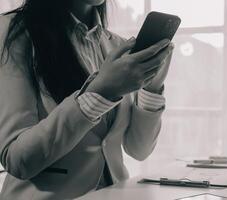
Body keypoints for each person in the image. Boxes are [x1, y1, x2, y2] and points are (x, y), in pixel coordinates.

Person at [0, 0, 174, 199]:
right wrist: (101, 93)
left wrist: (152, 88)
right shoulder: (11, 32)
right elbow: (17, 160)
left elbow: (138, 150)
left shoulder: (116, 45)